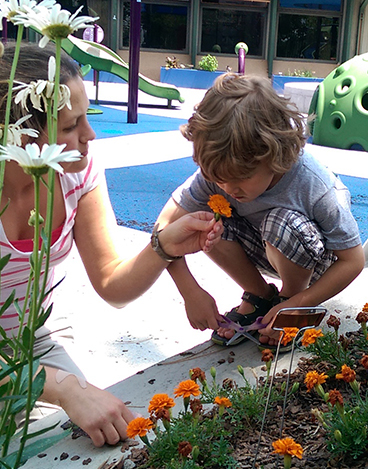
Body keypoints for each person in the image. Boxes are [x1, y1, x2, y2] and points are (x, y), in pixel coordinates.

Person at [0, 42, 222, 447]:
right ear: (18, 135)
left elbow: (112, 283)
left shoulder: (77, 176)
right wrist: (65, 388)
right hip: (16, 357)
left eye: (87, 117)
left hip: (32, 341)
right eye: (70, 126)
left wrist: (163, 247)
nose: (90, 135)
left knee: (107, 432)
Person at [156, 72, 365, 349]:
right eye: (219, 177)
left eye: (241, 176)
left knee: (280, 221)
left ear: (275, 154)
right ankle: (259, 295)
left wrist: (299, 303)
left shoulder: (313, 184)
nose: (229, 187)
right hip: (263, 246)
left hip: (314, 261)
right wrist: (189, 290)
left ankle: (286, 300)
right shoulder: (219, 175)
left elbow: (353, 261)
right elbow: (164, 226)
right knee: (207, 218)